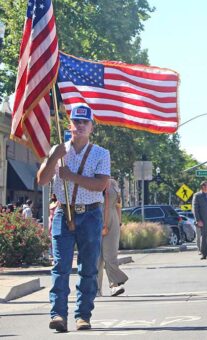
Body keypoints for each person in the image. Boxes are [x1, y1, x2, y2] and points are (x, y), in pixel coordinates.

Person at [37, 105, 110, 332]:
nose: (79, 126)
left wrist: (72, 177)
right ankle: (58, 314)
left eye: (84, 122)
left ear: (91, 127)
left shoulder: (100, 153)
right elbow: (41, 180)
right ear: (69, 125)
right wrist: (53, 160)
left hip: (90, 213)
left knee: (88, 267)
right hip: (63, 211)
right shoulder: (58, 150)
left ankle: (83, 315)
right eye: (76, 122)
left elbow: (101, 184)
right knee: (60, 266)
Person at [97, 178, 128, 296]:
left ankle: (114, 285)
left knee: (111, 254)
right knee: (96, 256)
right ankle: (96, 289)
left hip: (113, 219)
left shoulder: (113, 183)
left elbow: (118, 204)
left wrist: (119, 222)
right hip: (96, 217)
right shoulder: (92, 180)